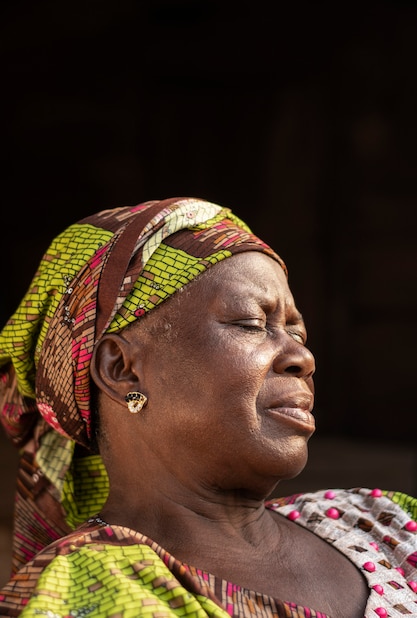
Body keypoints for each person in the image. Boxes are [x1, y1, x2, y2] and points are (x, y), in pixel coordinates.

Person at [0, 196, 416, 618]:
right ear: (122, 369)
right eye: (252, 324)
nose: (302, 358)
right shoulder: (84, 594)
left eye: (298, 333)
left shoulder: (384, 523)